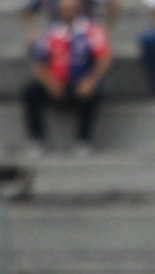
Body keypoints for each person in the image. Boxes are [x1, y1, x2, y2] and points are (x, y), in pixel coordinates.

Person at [22, 0, 112, 157]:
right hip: (55, 84)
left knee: (93, 93)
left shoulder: (90, 30)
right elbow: (38, 64)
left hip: (81, 83)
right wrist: (50, 83)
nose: (68, 12)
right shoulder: (50, 32)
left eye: (71, 8)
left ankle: (83, 140)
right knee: (30, 91)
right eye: (65, 8)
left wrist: (90, 80)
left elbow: (104, 59)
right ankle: (38, 140)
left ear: (79, 9)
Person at [22, 0, 120, 44]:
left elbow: (113, 2)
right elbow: (27, 9)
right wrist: (33, 29)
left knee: (98, 44)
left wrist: (106, 28)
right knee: (36, 44)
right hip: (56, 33)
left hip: (86, 32)